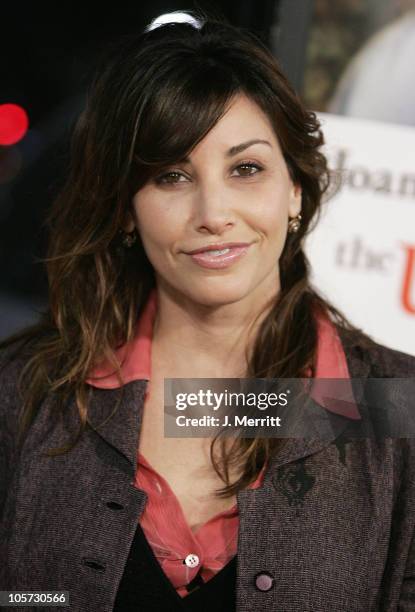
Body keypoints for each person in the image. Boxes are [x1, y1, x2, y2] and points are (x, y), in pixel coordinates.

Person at [1, 10, 415, 612]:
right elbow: (24, 597)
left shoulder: (397, 409)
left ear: (295, 188)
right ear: (125, 210)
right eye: (171, 175)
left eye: (246, 168)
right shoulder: (25, 393)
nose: (213, 212)